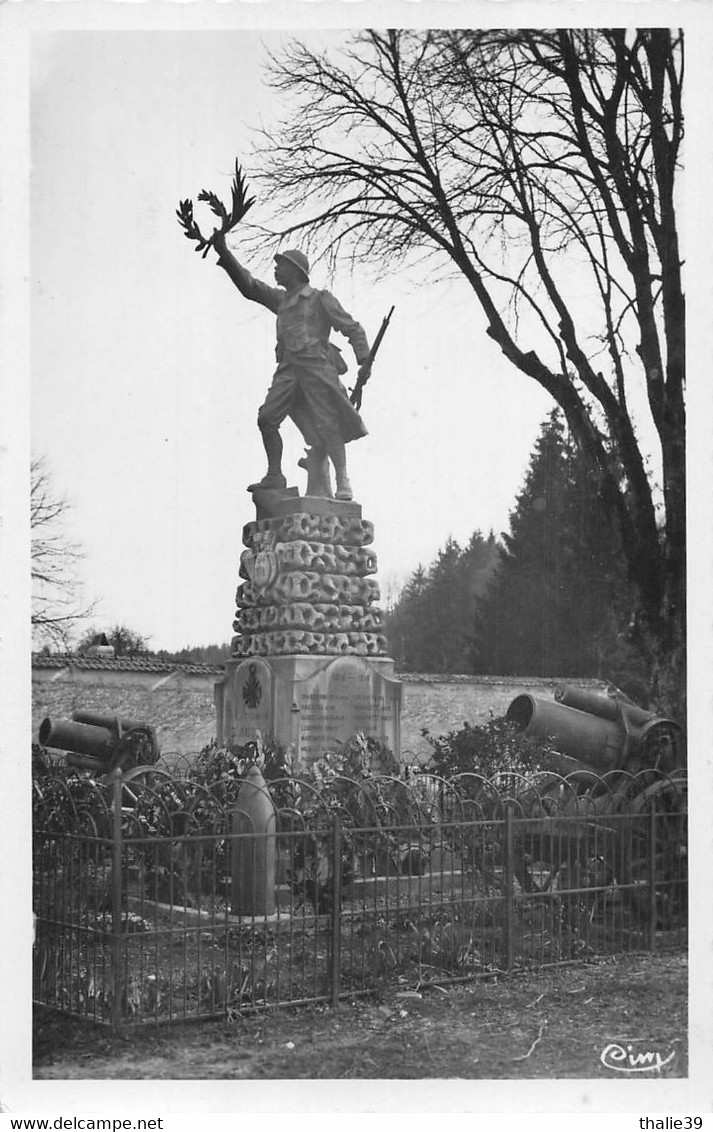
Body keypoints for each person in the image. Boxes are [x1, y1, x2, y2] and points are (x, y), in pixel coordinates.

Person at [211, 232, 372, 501]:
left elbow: (352, 328)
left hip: (317, 369)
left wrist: (364, 359)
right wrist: (224, 253)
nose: (275, 270)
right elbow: (250, 286)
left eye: (280, 266)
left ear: (295, 271)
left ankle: (342, 479)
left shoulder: (320, 298)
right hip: (288, 371)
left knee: (328, 425)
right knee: (267, 418)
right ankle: (275, 474)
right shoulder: (281, 300)